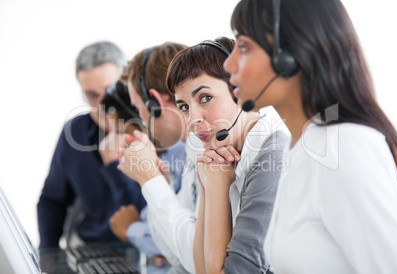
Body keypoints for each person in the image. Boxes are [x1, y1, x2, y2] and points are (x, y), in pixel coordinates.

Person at [224, 0, 397, 273]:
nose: (229, 63)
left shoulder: (343, 147)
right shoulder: (298, 148)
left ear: (290, 58)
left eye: (245, 47)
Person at [164, 37, 289, 273]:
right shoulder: (224, 156)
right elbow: (200, 268)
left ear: (240, 93)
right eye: (184, 107)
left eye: (205, 98)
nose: (193, 119)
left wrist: (217, 187)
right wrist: (207, 184)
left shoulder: (273, 155)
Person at [37, 41, 146, 250]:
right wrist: (47, 257)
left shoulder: (153, 131)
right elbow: (52, 201)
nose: (102, 105)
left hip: (143, 251)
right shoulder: (75, 131)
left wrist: (114, 165)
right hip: (91, 249)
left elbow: (143, 215)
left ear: (127, 82)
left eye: (110, 90)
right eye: (92, 95)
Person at [109, 41, 204, 273]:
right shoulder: (193, 149)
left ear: (155, 104)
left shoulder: (210, 151)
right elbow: (174, 254)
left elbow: (199, 261)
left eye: (138, 107)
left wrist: (150, 180)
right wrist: (158, 185)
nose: (141, 118)